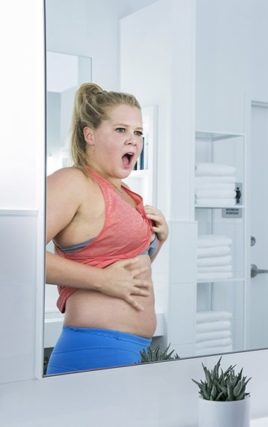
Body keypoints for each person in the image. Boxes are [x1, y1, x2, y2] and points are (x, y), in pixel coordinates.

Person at [45, 83, 169, 375]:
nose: (132, 140)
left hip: (136, 348)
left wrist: (159, 241)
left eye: (138, 132)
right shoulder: (73, 182)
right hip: (94, 348)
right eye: (121, 130)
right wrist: (103, 281)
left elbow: (123, 272)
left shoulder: (127, 194)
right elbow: (17, 256)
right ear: (90, 135)